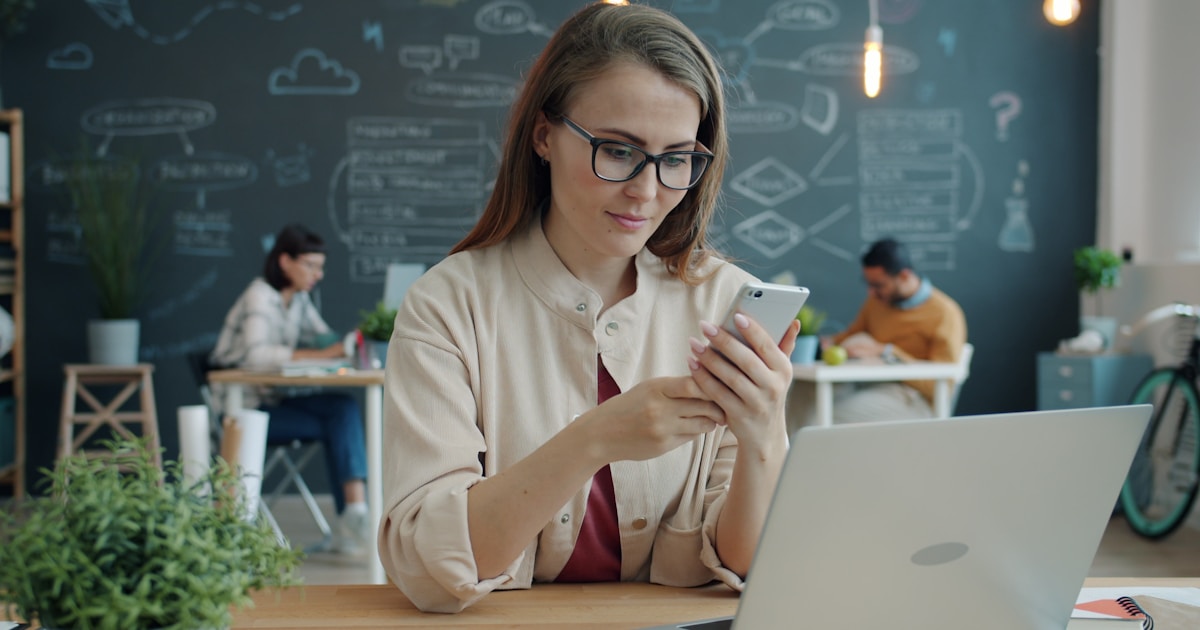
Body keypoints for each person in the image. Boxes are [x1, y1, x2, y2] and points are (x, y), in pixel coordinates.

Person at [378, 3, 799, 613]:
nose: (647, 191)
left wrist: (763, 433)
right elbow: (427, 567)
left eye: (677, 159)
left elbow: (748, 564)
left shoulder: (724, 300)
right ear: (544, 136)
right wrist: (595, 438)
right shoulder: (449, 304)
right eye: (619, 150)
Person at [210, 223, 371, 553]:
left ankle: (355, 511)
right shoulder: (260, 297)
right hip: (244, 415)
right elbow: (256, 356)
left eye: (321, 267)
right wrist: (323, 353)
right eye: (311, 265)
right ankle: (353, 521)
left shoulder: (298, 300)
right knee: (338, 419)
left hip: (273, 404)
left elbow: (324, 338)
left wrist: (357, 338)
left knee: (342, 407)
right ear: (285, 262)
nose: (318, 275)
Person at [787, 237, 967, 433]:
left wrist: (887, 352)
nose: (871, 292)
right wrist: (827, 343)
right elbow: (852, 335)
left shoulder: (945, 313)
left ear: (905, 276)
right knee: (802, 392)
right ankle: (785, 459)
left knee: (826, 414)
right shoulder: (877, 302)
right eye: (868, 284)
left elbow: (941, 384)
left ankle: (809, 457)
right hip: (865, 384)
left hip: (911, 398)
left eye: (879, 285)